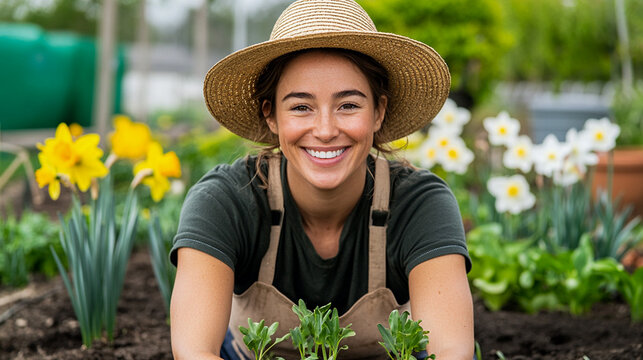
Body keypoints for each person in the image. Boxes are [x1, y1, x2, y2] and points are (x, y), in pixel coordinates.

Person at [169, 0, 474, 359]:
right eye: (301, 106)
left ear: (378, 112)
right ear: (271, 116)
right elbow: (194, 352)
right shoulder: (226, 200)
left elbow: (451, 351)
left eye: (348, 105)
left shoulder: (419, 204)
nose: (326, 130)